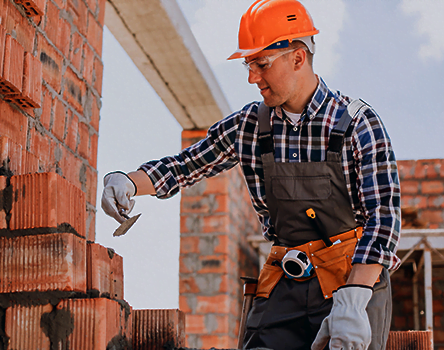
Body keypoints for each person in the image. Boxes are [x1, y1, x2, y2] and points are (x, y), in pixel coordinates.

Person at [101, 0, 401, 349]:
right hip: (287, 281)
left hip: (351, 280)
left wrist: (354, 300)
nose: (251, 77)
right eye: (249, 65)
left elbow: (383, 219)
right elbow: (185, 165)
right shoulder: (250, 126)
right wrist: (127, 181)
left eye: (261, 64)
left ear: (298, 58)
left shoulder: (355, 123)